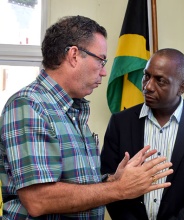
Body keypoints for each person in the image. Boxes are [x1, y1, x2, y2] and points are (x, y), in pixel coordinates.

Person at [0, 15, 174, 219]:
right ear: (74, 55)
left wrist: (112, 180)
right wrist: (120, 188)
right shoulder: (29, 105)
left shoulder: (73, 108)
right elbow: (38, 199)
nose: (104, 72)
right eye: (101, 60)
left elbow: (77, 183)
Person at [100, 48, 184, 220]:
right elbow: (107, 181)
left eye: (160, 81)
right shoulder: (120, 123)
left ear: (181, 88)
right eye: (146, 76)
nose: (148, 86)